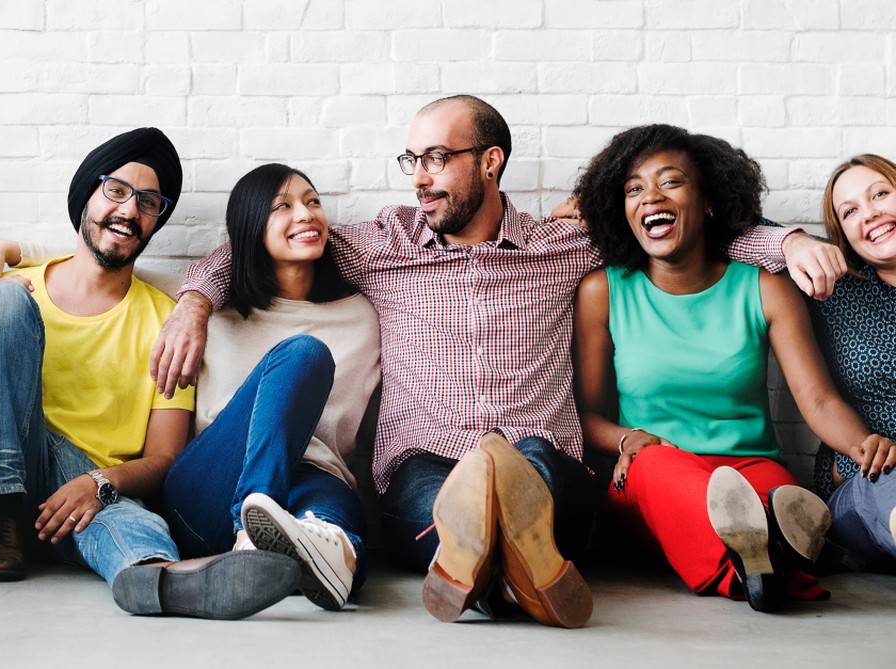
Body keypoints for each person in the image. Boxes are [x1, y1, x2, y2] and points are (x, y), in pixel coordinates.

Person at [152, 95, 848, 628]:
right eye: (412, 160)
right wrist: (192, 302)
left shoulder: (564, 246)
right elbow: (260, 242)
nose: (420, 178)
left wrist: (783, 242)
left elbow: (681, 231)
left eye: (437, 158)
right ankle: (519, 571)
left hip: (544, 459)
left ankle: (482, 565)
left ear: (490, 161)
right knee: (441, 491)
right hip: (423, 463)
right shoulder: (384, 245)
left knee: (533, 463)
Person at [0, 128, 299, 621]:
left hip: (81, 507)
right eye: (116, 190)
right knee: (2, 304)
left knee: (120, 511)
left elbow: (165, 457)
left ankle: (156, 578)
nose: (129, 210)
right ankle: (5, 514)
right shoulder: (13, 291)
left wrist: (98, 483)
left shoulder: (164, 322)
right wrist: (1, 360)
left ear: (155, 223)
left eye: (148, 202)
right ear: (86, 195)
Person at [569, 124, 890, 612]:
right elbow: (586, 415)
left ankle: (763, 559)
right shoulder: (604, 291)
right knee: (665, 470)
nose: (650, 196)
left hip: (748, 467)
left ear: (709, 200)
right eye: (634, 188)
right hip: (652, 470)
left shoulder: (763, 287)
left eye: (670, 181)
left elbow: (818, 400)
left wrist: (861, 445)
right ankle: (769, 563)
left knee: (779, 495)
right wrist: (627, 439)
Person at [156, 163, 381, 611]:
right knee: (304, 355)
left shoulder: (365, 315)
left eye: (313, 202)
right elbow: (124, 269)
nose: (306, 214)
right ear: (250, 225)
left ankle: (321, 560)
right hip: (213, 485)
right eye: (283, 206)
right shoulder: (211, 313)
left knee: (336, 530)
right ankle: (249, 531)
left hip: (314, 478)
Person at [812, 154, 896, 571]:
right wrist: (795, 242)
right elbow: (728, 227)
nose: (871, 214)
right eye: (850, 211)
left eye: (880, 193)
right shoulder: (836, 292)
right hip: (870, 480)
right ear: (842, 235)